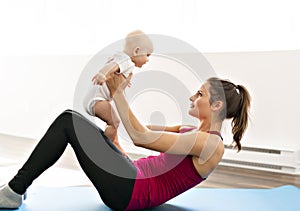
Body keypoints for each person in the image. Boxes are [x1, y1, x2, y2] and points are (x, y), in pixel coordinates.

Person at [0, 73, 251, 210]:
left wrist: (119, 93)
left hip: (130, 192)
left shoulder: (210, 145)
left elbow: (141, 137)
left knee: (68, 121)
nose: (191, 97)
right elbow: (140, 127)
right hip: (131, 175)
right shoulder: (189, 131)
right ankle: (16, 189)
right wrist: (114, 103)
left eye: (200, 94)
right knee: (73, 121)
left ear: (217, 105)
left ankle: (14, 190)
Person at [83, 30, 153, 157]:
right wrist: (103, 73)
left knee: (114, 122)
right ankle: (109, 146)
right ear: (136, 51)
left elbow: (116, 71)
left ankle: (114, 142)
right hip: (97, 100)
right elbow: (113, 66)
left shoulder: (121, 58)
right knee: (114, 122)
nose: (148, 59)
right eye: (147, 55)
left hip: (95, 99)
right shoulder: (127, 60)